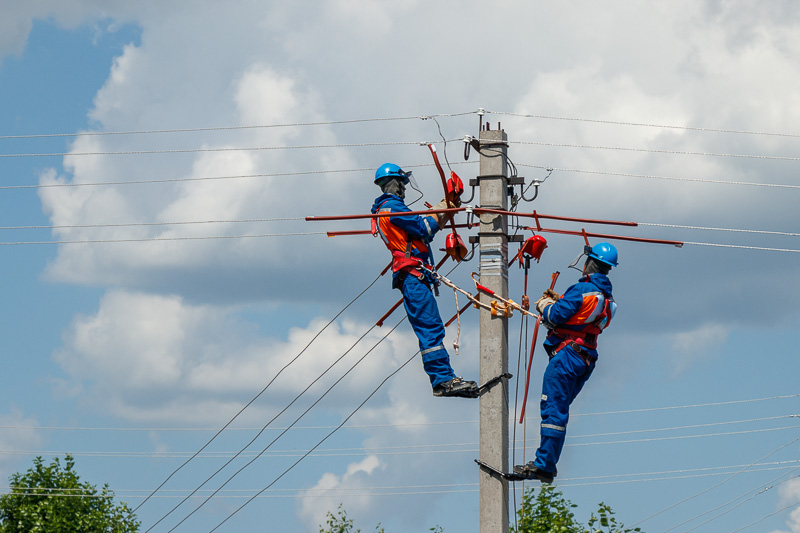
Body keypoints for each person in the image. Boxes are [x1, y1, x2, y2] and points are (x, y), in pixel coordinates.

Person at [370, 163, 478, 398]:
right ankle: (443, 380)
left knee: (430, 327)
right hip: (413, 276)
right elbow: (424, 227)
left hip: (413, 275)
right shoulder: (392, 207)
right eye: (403, 184)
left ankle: (443, 379)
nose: (405, 190)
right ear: (396, 183)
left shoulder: (384, 209)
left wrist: (446, 205)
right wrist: (445, 205)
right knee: (430, 328)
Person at [513, 243, 618, 483]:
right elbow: (584, 318)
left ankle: (544, 465)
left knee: (553, 410)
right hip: (586, 357)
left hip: (567, 356)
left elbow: (555, 316)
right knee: (558, 409)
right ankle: (546, 463)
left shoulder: (582, 289)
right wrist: (560, 301)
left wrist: (545, 305)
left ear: (589, 262)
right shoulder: (608, 299)